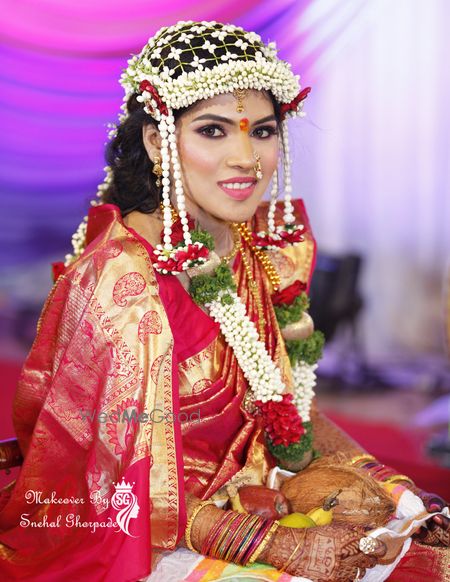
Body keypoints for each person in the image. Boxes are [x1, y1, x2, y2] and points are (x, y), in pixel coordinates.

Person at [0, 20, 448, 582]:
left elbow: (287, 411)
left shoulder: (252, 249)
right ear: (158, 142)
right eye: (213, 131)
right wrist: (278, 546)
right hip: (141, 530)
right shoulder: (125, 285)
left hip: (260, 494)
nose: (246, 158)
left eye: (262, 132)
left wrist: (396, 490)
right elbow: (113, 488)